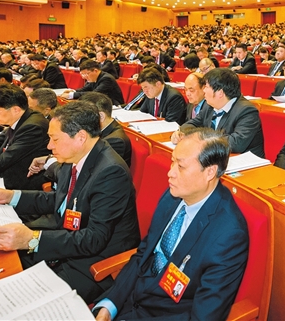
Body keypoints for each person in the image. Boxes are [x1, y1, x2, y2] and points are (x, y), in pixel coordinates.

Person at [0, 101, 141, 304]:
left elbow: (94, 239)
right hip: (67, 237)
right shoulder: (73, 157)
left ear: (80, 137)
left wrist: (32, 240)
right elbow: (59, 200)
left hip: (94, 262)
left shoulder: (110, 172)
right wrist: (12, 196)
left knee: (21, 300)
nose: (49, 146)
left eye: (54, 139)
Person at [92, 128, 248, 320]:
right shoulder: (173, 196)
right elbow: (143, 254)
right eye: (172, 161)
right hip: (130, 300)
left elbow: (203, 316)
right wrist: (110, 305)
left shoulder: (228, 235)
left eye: (180, 166)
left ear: (210, 172)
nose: (170, 173)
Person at [172, 68, 265, 157]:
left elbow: (236, 143)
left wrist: (200, 138)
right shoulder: (209, 106)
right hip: (216, 157)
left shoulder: (246, 111)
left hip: (243, 161)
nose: (204, 91)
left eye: (206, 87)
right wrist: (181, 133)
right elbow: (192, 123)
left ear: (220, 93)